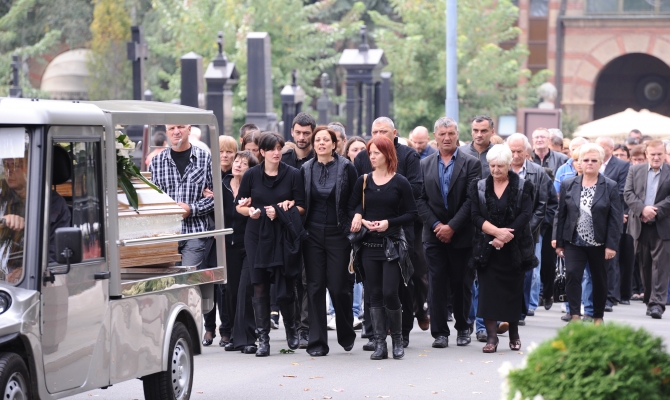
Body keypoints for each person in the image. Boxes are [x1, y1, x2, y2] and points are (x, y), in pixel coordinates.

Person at [353, 117, 424, 349]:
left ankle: (402, 334)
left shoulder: (408, 159)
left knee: (398, 286)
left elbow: (415, 195)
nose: (378, 136)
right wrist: (359, 215)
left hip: (398, 235)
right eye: (374, 132)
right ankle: (377, 337)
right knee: (373, 289)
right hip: (369, 237)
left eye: (383, 132)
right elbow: (355, 198)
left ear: (394, 134)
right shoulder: (362, 162)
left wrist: (388, 215)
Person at [236, 132, 306, 356]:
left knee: (285, 285)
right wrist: (250, 211)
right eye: (271, 149)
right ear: (262, 152)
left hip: (282, 234)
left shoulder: (293, 174)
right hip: (256, 233)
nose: (277, 153)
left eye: (279, 148)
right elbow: (240, 205)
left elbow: (302, 207)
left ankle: (291, 327)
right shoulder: (251, 175)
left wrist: (281, 210)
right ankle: (263, 339)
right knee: (259, 284)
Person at [417, 117, 481, 349]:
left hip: (461, 233)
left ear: (457, 135)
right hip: (433, 234)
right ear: (435, 136)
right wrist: (437, 225)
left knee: (461, 282)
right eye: (442, 134)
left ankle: (463, 327)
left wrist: (452, 226)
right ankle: (440, 332)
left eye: (451, 133)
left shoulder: (471, 163)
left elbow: (471, 199)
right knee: (436, 283)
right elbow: (420, 200)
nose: (447, 138)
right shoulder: (424, 164)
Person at [469, 145, 537, 353]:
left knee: (512, 292)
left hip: (515, 248)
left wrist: (506, 236)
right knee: (488, 293)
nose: (495, 170)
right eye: (492, 166)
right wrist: (496, 233)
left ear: (509, 165)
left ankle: (514, 333)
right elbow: (475, 215)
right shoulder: (479, 186)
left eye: (500, 166)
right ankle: (491, 338)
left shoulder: (523, 186)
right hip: (487, 247)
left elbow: (526, 214)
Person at [301, 126, 358, 356]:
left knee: (338, 286)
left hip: (338, 233)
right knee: (314, 287)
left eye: (326, 140)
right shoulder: (306, 168)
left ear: (334, 144)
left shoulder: (346, 167)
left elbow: (355, 198)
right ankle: (317, 342)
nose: (321, 143)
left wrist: (355, 218)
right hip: (312, 234)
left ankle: (346, 332)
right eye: (318, 140)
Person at [555, 143, 622, 324]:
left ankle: (597, 316)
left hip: (599, 243)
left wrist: (611, 245)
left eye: (594, 160)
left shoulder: (610, 186)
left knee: (599, 280)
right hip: (573, 242)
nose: (589, 163)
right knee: (572, 276)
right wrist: (558, 241)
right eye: (585, 160)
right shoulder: (569, 184)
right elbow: (561, 215)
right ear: (579, 163)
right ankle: (575, 316)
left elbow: (615, 218)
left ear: (600, 163)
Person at [206, 150, 260, 353]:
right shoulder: (221, 186)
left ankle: (248, 338)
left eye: (244, 163)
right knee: (230, 291)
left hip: (248, 244)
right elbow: (212, 212)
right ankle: (233, 335)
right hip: (227, 244)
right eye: (237, 161)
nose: (238, 165)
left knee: (245, 290)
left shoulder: (254, 188)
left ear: (251, 169)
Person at [149, 124, 214, 268]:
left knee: (188, 279)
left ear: (189, 129)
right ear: (167, 132)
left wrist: (191, 209)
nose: (176, 131)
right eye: (172, 128)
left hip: (195, 232)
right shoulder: (156, 162)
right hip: (165, 235)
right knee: (168, 279)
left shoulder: (205, 158)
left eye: (180, 127)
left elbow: (215, 198)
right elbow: (150, 201)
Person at [506, 134, 555, 323]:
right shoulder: (500, 168)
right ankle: (505, 308)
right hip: (503, 230)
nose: (515, 155)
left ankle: (520, 311)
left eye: (519, 151)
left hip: (529, 232)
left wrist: (528, 229)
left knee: (527, 272)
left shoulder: (538, 172)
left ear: (527, 151)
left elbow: (543, 204)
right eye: (512, 151)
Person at [282, 112, 317, 348]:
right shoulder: (283, 158)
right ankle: (292, 325)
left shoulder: (320, 157)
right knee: (289, 279)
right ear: (292, 132)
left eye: (306, 133)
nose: (302, 137)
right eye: (298, 132)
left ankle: (305, 328)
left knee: (308, 280)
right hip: (286, 228)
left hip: (312, 227)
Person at [624, 140, 670, 319]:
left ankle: (657, 304)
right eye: (653, 154)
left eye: (659, 154)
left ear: (665, 154)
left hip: (663, 225)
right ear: (646, 155)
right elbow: (628, 193)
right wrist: (642, 209)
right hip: (640, 225)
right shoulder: (635, 170)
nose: (656, 157)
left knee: (661, 266)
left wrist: (654, 211)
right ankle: (649, 300)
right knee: (645, 265)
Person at [201, 135, 239, 346]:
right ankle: (209, 328)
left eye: (229, 152)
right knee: (208, 281)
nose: (224, 156)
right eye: (221, 151)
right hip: (208, 233)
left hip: (229, 235)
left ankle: (226, 329)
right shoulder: (207, 174)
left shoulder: (238, 176)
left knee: (225, 285)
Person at [595, 136, 631, 312]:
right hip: (594, 216)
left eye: (603, 147)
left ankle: (609, 297)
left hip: (612, 214)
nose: (600, 150)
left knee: (610, 258)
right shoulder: (594, 163)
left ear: (611, 148)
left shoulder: (622, 165)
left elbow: (622, 190)